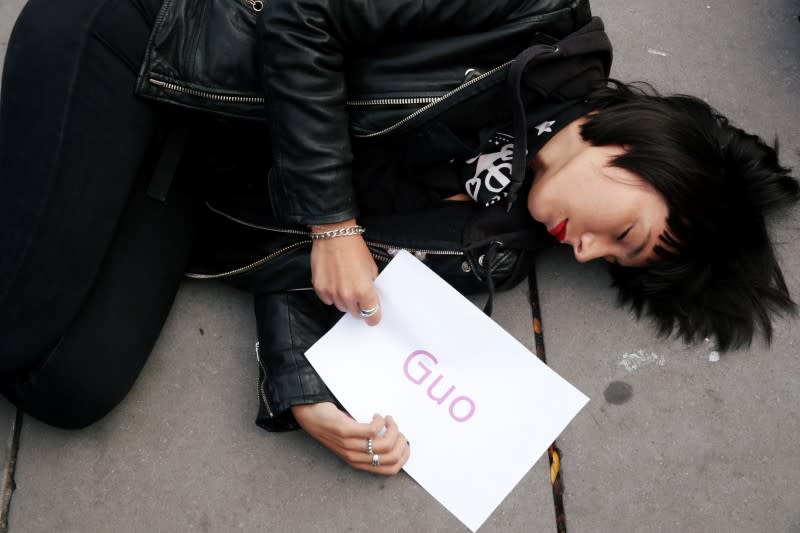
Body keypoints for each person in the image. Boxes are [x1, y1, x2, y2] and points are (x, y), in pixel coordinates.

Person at [0, 0, 797, 478]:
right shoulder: (531, 13)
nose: (587, 252)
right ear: (644, 151)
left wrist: (303, 389)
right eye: (624, 232)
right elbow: (303, 13)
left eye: (615, 262)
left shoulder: (499, 245)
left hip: (184, 169)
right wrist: (334, 219)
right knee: (19, 326)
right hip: (149, 39)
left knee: (72, 386)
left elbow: (312, 272)